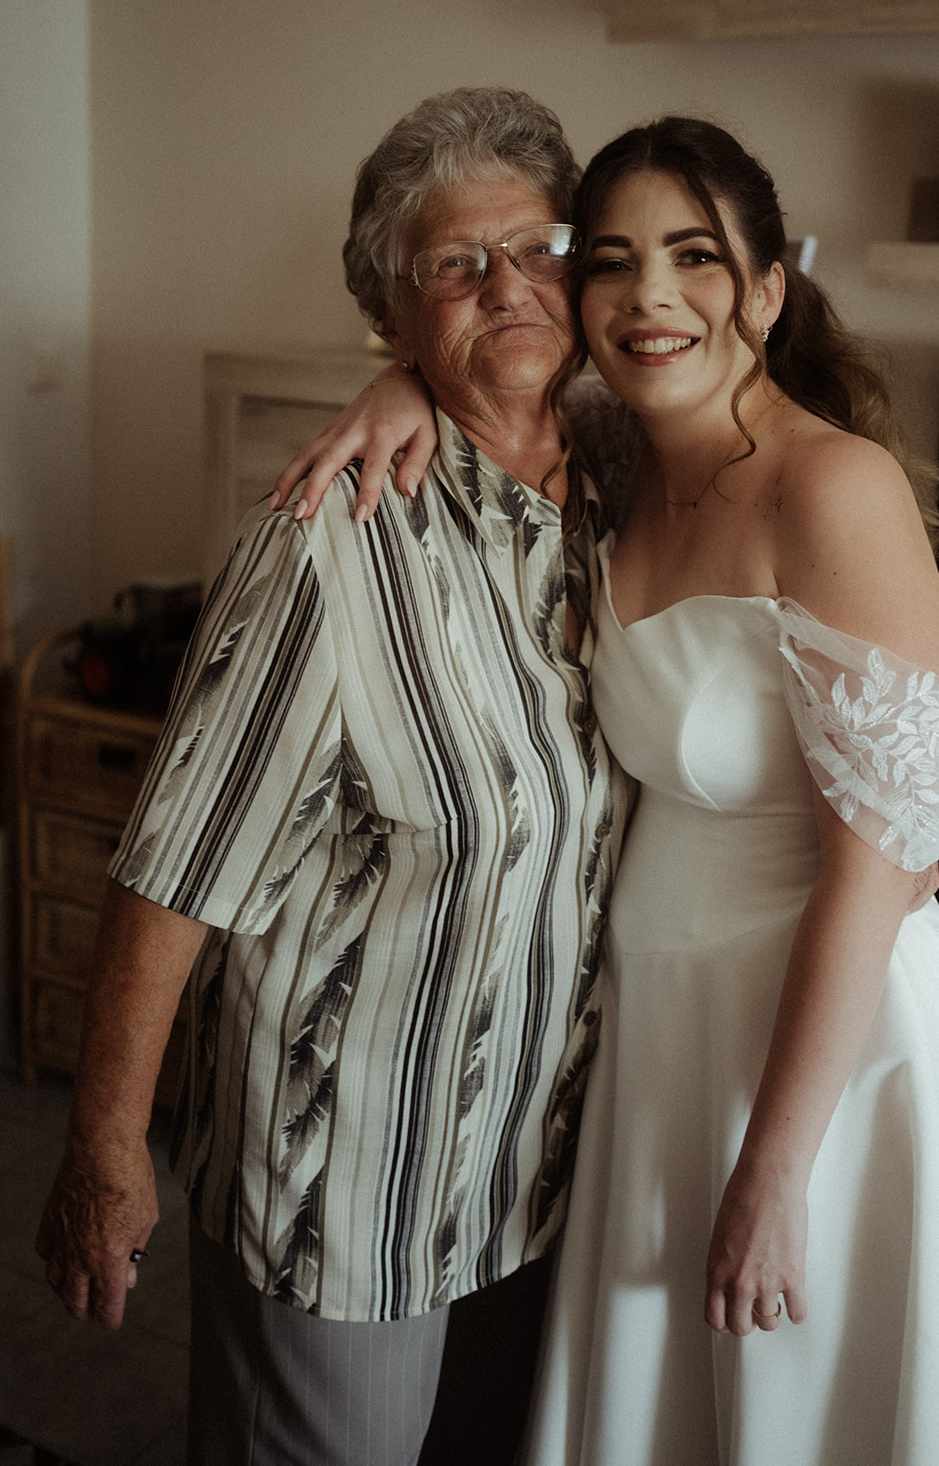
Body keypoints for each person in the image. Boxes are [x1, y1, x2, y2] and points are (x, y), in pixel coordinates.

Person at [273, 115, 939, 1464]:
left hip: (818, 1055)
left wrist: (775, 1165)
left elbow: (875, 864)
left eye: (694, 256)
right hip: (656, 1034)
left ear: (764, 288)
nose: (649, 295)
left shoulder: (832, 487)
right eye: (611, 260)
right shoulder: (619, 460)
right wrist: (400, 383)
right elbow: (482, 385)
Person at [34, 86, 630, 1466]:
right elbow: (176, 867)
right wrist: (105, 1146)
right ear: (394, 316)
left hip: (529, 1168)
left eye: (536, 246)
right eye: (452, 264)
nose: (506, 286)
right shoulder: (326, 543)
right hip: (345, 1189)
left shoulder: (618, 498)